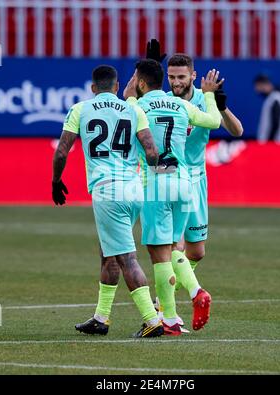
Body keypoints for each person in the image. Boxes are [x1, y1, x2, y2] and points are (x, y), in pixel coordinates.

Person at [52, 65, 164, 338]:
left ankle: (152, 319)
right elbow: (152, 151)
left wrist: (56, 181)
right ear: (116, 87)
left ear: (93, 88)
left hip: (107, 190)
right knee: (109, 252)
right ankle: (101, 318)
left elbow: (62, 152)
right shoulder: (133, 109)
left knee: (126, 257)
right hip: (134, 189)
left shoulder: (81, 109)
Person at [146, 41, 243, 328]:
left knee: (196, 251)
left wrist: (221, 107)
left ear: (192, 75)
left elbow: (237, 131)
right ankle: (176, 304)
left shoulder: (206, 98)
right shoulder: (162, 100)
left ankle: (172, 296)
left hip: (197, 181)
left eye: (181, 77)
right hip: (169, 178)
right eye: (171, 77)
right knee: (173, 245)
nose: (175, 82)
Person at [124, 59, 222, 335]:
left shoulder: (138, 106)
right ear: (162, 80)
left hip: (156, 183)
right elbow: (214, 121)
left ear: (142, 83)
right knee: (174, 250)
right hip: (184, 183)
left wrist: (130, 96)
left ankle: (191, 296)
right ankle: (173, 317)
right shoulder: (180, 105)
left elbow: (128, 104)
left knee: (159, 254)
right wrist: (210, 95)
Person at [254, 74, 280, 143]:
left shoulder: (276, 98)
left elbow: (276, 122)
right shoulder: (272, 98)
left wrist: (269, 141)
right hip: (276, 144)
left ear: (264, 84)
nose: (256, 89)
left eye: (258, 86)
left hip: (277, 145)